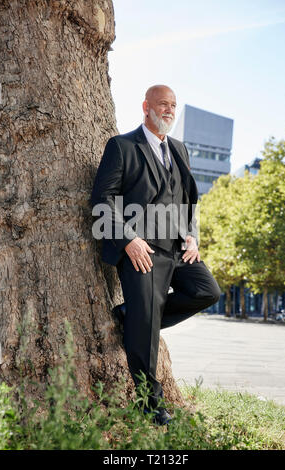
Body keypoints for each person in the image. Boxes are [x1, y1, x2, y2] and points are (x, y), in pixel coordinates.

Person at [90, 85, 221, 425]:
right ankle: (151, 405)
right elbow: (103, 198)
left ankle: (132, 318)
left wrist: (192, 235)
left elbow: (189, 199)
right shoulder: (122, 146)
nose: (169, 110)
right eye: (163, 104)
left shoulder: (179, 149)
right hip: (142, 250)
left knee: (208, 292)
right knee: (144, 328)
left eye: (174, 105)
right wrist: (128, 240)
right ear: (146, 107)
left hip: (178, 248)